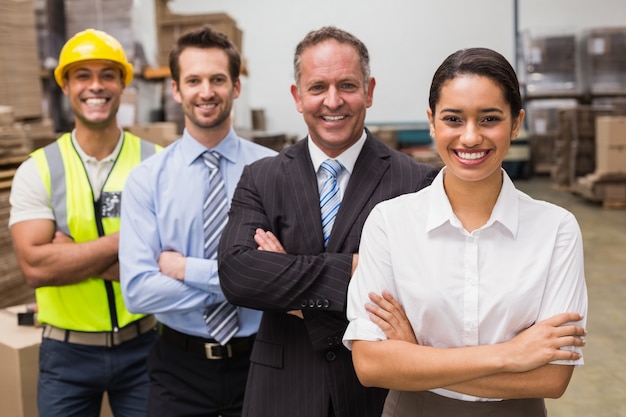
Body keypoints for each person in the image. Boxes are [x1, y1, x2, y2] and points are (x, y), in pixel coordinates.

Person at [342, 47, 589, 417]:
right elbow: (371, 365)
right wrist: (511, 355)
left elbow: (552, 379)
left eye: (489, 118)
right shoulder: (389, 223)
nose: (470, 137)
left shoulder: (556, 230)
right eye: (453, 119)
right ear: (432, 122)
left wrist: (416, 360)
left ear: (516, 122)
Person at [217, 26, 438, 417]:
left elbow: (417, 294)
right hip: (283, 393)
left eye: (347, 85)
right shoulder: (262, 178)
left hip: (376, 395)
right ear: (297, 96)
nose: (332, 101)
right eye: (317, 86)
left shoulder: (415, 182)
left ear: (369, 91)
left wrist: (289, 288)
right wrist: (359, 268)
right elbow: (239, 275)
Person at [118, 25, 276, 417]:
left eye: (217, 79)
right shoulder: (146, 179)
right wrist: (242, 281)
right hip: (178, 369)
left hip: (264, 360)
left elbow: (280, 278)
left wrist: (184, 269)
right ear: (176, 90)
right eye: (194, 80)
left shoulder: (274, 172)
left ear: (236, 87)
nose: (206, 91)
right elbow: (139, 292)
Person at [8, 29, 161, 417]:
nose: (96, 86)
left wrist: (71, 253)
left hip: (145, 348)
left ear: (123, 82)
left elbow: (169, 266)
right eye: (83, 75)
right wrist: (126, 244)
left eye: (108, 74)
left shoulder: (158, 163)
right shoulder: (38, 170)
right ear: (66, 85)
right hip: (66, 357)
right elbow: (35, 267)